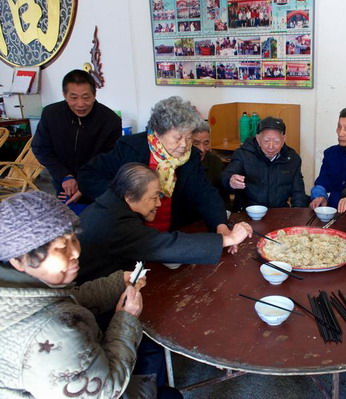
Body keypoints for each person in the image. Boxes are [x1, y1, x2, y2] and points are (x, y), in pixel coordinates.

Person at [0, 191, 181, 398]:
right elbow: (105, 391)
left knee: (149, 346)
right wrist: (126, 320)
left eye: (74, 240)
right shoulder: (48, 334)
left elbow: (69, 298)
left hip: (77, 365)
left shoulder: (20, 288)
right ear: (19, 259)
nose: (76, 253)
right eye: (61, 248)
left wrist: (116, 282)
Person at [78, 96, 236, 245]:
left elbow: (205, 193)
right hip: (132, 234)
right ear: (158, 133)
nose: (184, 145)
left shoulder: (190, 157)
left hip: (171, 233)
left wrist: (220, 224)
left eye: (188, 138)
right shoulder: (130, 148)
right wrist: (124, 198)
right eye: (177, 138)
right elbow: (88, 175)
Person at [77, 163, 252, 283]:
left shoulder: (109, 205)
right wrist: (229, 239)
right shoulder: (115, 223)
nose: (159, 204)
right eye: (154, 197)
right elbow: (166, 245)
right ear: (130, 196)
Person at [32, 69, 121, 205]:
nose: (80, 104)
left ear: (94, 94)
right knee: (67, 220)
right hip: (64, 185)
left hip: (97, 187)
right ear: (64, 95)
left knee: (94, 222)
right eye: (73, 98)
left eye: (86, 97)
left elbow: (111, 159)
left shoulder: (110, 120)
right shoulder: (51, 114)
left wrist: (86, 185)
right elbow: (40, 148)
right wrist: (64, 175)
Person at [221, 116, 309, 209]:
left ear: (283, 139)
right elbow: (226, 175)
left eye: (276, 141)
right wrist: (230, 181)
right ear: (258, 139)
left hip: (278, 213)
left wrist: (296, 214)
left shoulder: (292, 159)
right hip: (247, 213)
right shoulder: (243, 154)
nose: (271, 146)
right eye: (266, 141)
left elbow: (298, 193)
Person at [191, 120, 229, 205]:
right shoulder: (179, 164)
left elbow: (224, 197)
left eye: (206, 143)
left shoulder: (215, 163)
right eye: (196, 143)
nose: (202, 149)